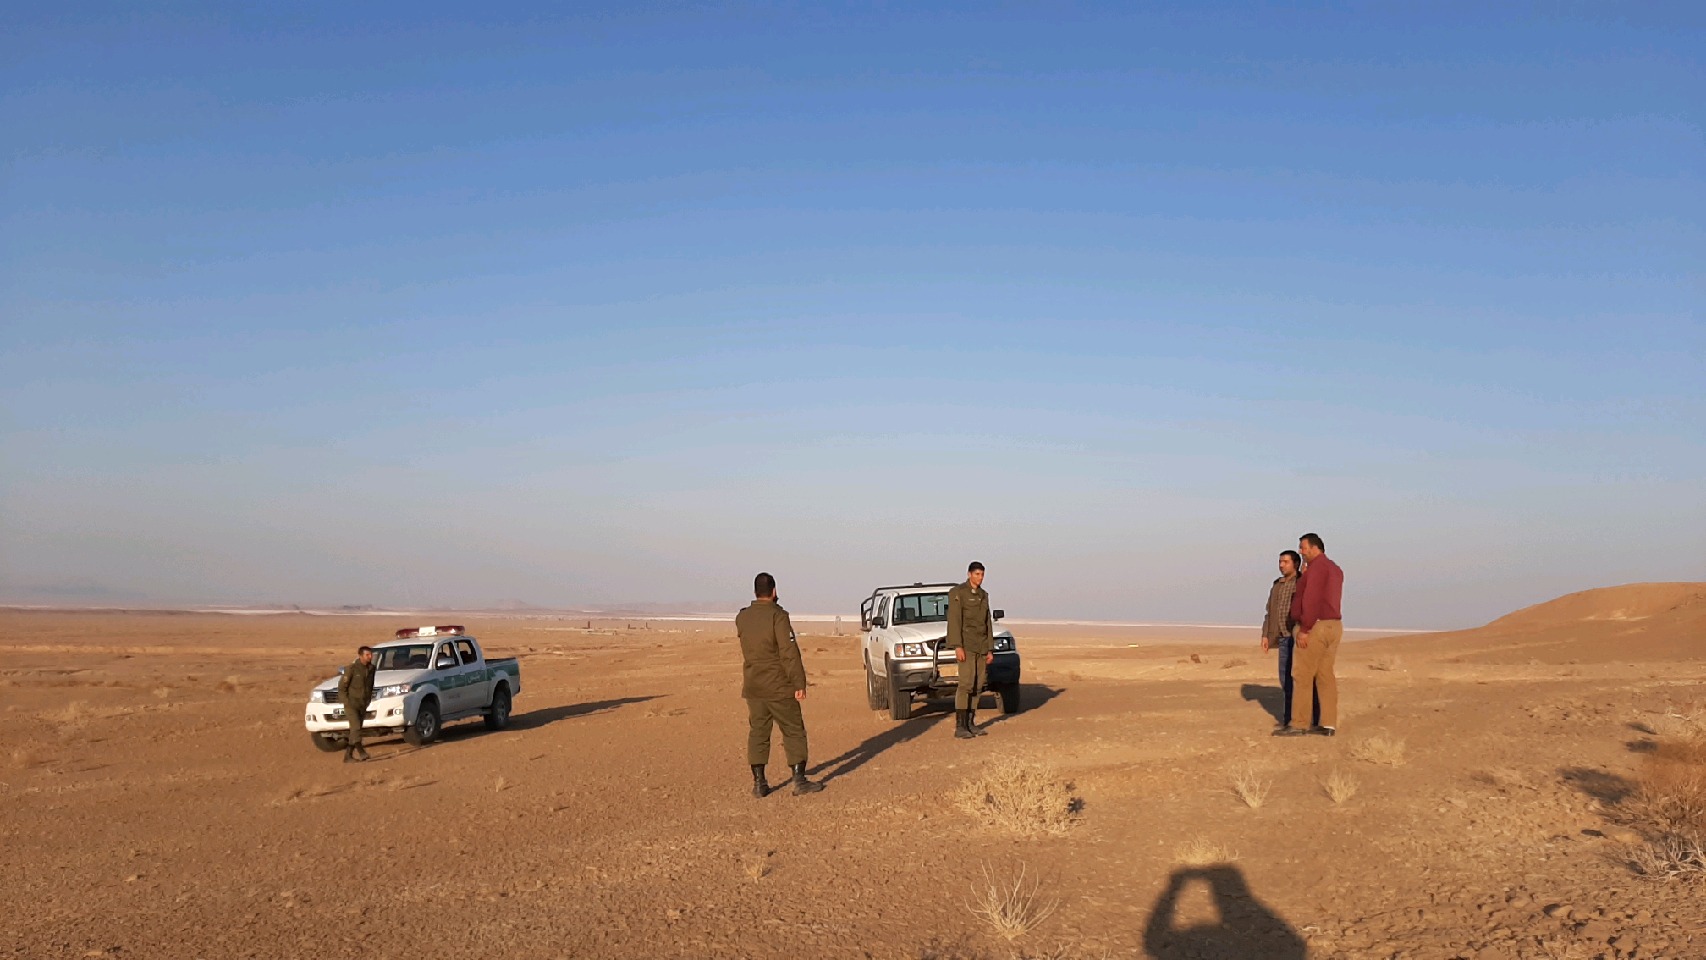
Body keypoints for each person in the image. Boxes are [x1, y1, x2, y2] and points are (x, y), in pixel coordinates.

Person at [737, 572, 824, 797]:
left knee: (758, 732)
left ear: (755, 592)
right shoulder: (778, 616)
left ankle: (759, 784)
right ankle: (799, 780)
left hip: (754, 686)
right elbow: (788, 652)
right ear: (774, 591)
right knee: (793, 730)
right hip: (778, 686)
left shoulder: (743, 618)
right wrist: (799, 682)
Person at [1275, 533, 1344, 737]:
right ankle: (1328, 723)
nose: (1300, 551)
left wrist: (1305, 629)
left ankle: (1299, 723)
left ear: (1314, 548)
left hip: (1315, 627)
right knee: (1325, 675)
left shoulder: (1317, 569)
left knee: (1302, 675)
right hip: (1334, 626)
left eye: (1303, 548)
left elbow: (1311, 599)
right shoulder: (1334, 569)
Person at [1259, 550, 1317, 732]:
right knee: (1286, 679)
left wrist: (1308, 577)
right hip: (1283, 638)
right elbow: (1270, 612)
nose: (1281, 565)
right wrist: (1266, 634)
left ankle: (1313, 719)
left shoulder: (1302, 582)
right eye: (1280, 562)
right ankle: (1288, 720)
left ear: (1296, 564)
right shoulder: (1277, 585)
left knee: (1304, 679)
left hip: (1299, 635)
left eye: (1285, 562)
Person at [946, 561, 997, 740]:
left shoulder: (984, 595)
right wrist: (957, 646)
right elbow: (954, 620)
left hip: (981, 646)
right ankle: (960, 726)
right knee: (966, 685)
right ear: (969, 574)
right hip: (966, 645)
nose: (980, 578)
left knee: (978, 685)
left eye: (982, 575)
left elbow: (987, 623)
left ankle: (970, 722)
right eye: (976, 574)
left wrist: (990, 648)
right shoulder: (958, 593)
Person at [337, 645, 376, 762]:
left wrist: (368, 700)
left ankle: (348, 756)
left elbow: (370, 686)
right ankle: (361, 751)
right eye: (367, 655)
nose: (370, 657)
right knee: (356, 728)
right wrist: (346, 702)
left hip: (363, 703)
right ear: (360, 656)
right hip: (351, 703)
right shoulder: (351, 669)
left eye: (371, 655)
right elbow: (341, 687)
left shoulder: (372, 669)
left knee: (356, 729)